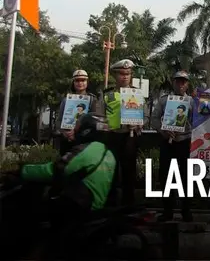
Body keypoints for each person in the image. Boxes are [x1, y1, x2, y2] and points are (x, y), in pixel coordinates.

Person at [13, 113, 116, 257]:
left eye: (78, 126)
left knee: (37, 222)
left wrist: (23, 170)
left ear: (87, 130)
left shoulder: (86, 150)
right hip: (95, 206)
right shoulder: (108, 153)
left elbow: (55, 170)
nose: (75, 130)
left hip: (78, 205)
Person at [152, 71, 194, 222]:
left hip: (185, 141)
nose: (181, 84)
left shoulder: (192, 101)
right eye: (178, 81)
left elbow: (199, 120)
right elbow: (154, 118)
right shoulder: (164, 100)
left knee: (186, 178)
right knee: (166, 177)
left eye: (184, 82)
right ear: (173, 83)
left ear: (187, 84)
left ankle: (186, 211)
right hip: (168, 141)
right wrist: (163, 131)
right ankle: (167, 210)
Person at [101, 58, 141, 207]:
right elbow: (100, 115)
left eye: (128, 74)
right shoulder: (107, 94)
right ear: (115, 75)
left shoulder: (136, 93)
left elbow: (145, 115)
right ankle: (110, 204)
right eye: (122, 74)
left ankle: (128, 205)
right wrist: (105, 126)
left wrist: (138, 124)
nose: (125, 76)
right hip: (111, 136)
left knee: (129, 172)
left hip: (130, 136)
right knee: (110, 171)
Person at [54, 70, 97, 155]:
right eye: (77, 80)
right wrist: (65, 133)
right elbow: (59, 121)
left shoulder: (93, 100)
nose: (80, 83)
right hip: (67, 141)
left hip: (85, 141)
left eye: (83, 80)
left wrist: (78, 132)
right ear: (73, 83)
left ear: (87, 82)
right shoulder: (66, 100)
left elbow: (95, 122)